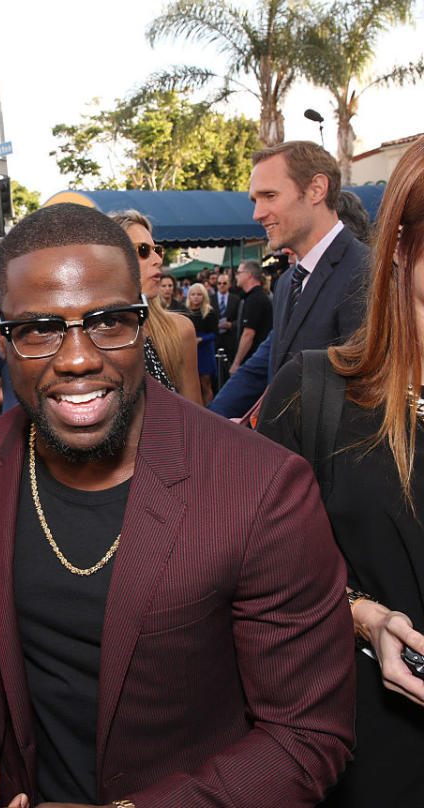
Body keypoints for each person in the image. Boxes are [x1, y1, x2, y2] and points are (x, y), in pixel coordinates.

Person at [0, 203, 355, 808]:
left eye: (109, 322)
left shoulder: (261, 487)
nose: (78, 357)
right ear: (2, 338)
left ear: (144, 321)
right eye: (38, 329)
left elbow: (306, 737)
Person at [258, 135, 424, 807]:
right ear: (405, 246)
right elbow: (265, 585)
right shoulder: (314, 394)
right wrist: (365, 617)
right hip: (373, 753)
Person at [208, 141, 369, 418]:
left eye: (269, 196)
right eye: (255, 200)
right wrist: (211, 420)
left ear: (317, 189)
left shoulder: (367, 273)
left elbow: (363, 399)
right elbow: (266, 365)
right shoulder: (287, 283)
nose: (257, 214)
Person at [109, 210, 201, 404]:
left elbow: (196, 419)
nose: (158, 260)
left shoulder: (179, 330)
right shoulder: (87, 336)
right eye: (143, 250)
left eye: (156, 250)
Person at [230, 260, 272, 372]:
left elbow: (248, 334)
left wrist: (236, 363)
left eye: (238, 272)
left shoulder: (256, 299)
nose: (236, 276)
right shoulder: (251, 297)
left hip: (255, 362)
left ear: (249, 275)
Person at [184, 282, 218, 404]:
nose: (196, 297)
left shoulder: (209, 312)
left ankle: (209, 412)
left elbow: (215, 334)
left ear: (204, 296)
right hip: (189, 350)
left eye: (199, 294)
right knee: (192, 385)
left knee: (205, 384)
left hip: (204, 351)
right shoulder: (185, 312)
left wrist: (201, 340)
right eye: (193, 294)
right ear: (189, 296)